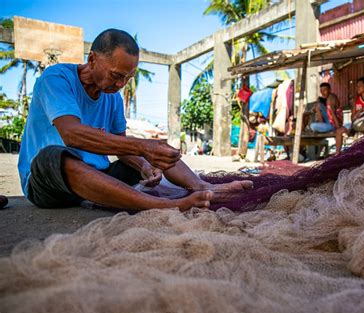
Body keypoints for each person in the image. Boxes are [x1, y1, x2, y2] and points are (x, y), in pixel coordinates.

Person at [18, 29, 252, 212]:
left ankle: (202, 186)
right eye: (116, 75)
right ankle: (164, 206)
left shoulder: (113, 98)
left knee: (158, 152)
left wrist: (146, 164)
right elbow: (72, 134)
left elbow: (122, 149)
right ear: (92, 59)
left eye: (128, 78)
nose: (121, 84)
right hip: (47, 183)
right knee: (52, 156)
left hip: (96, 179)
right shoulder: (56, 78)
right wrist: (141, 146)